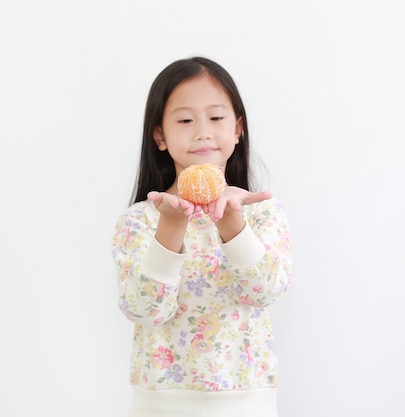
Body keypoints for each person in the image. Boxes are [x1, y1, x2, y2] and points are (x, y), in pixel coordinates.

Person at [111, 56, 292, 417]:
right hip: (161, 404)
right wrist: (171, 226)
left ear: (237, 129)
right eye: (185, 120)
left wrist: (231, 223)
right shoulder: (139, 221)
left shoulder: (262, 213)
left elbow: (266, 290)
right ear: (159, 135)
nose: (202, 131)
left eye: (216, 117)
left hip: (246, 402)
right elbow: (143, 310)